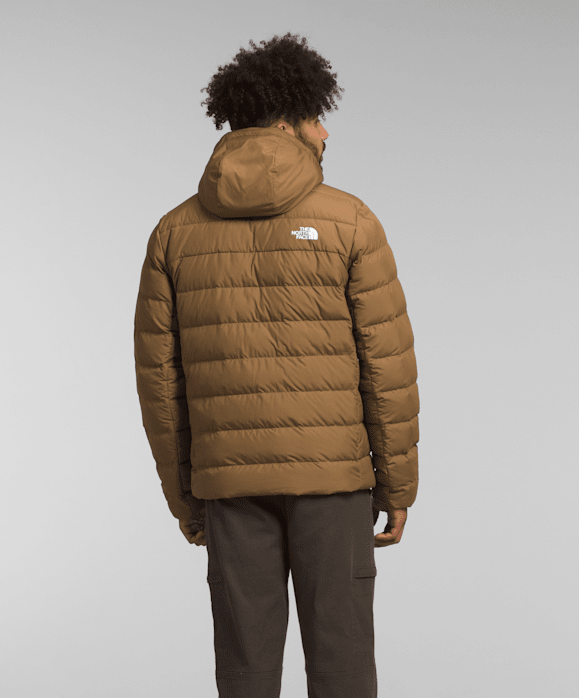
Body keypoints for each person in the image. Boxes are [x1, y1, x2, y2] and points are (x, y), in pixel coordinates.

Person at [134, 31, 419, 698]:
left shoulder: (173, 233)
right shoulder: (352, 221)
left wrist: (186, 496)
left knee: (245, 670)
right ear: (287, 121)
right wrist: (397, 487)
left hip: (229, 485)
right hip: (335, 482)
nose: (325, 132)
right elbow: (388, 368)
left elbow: (159, 384)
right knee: (343, 665)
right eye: (317, 117)